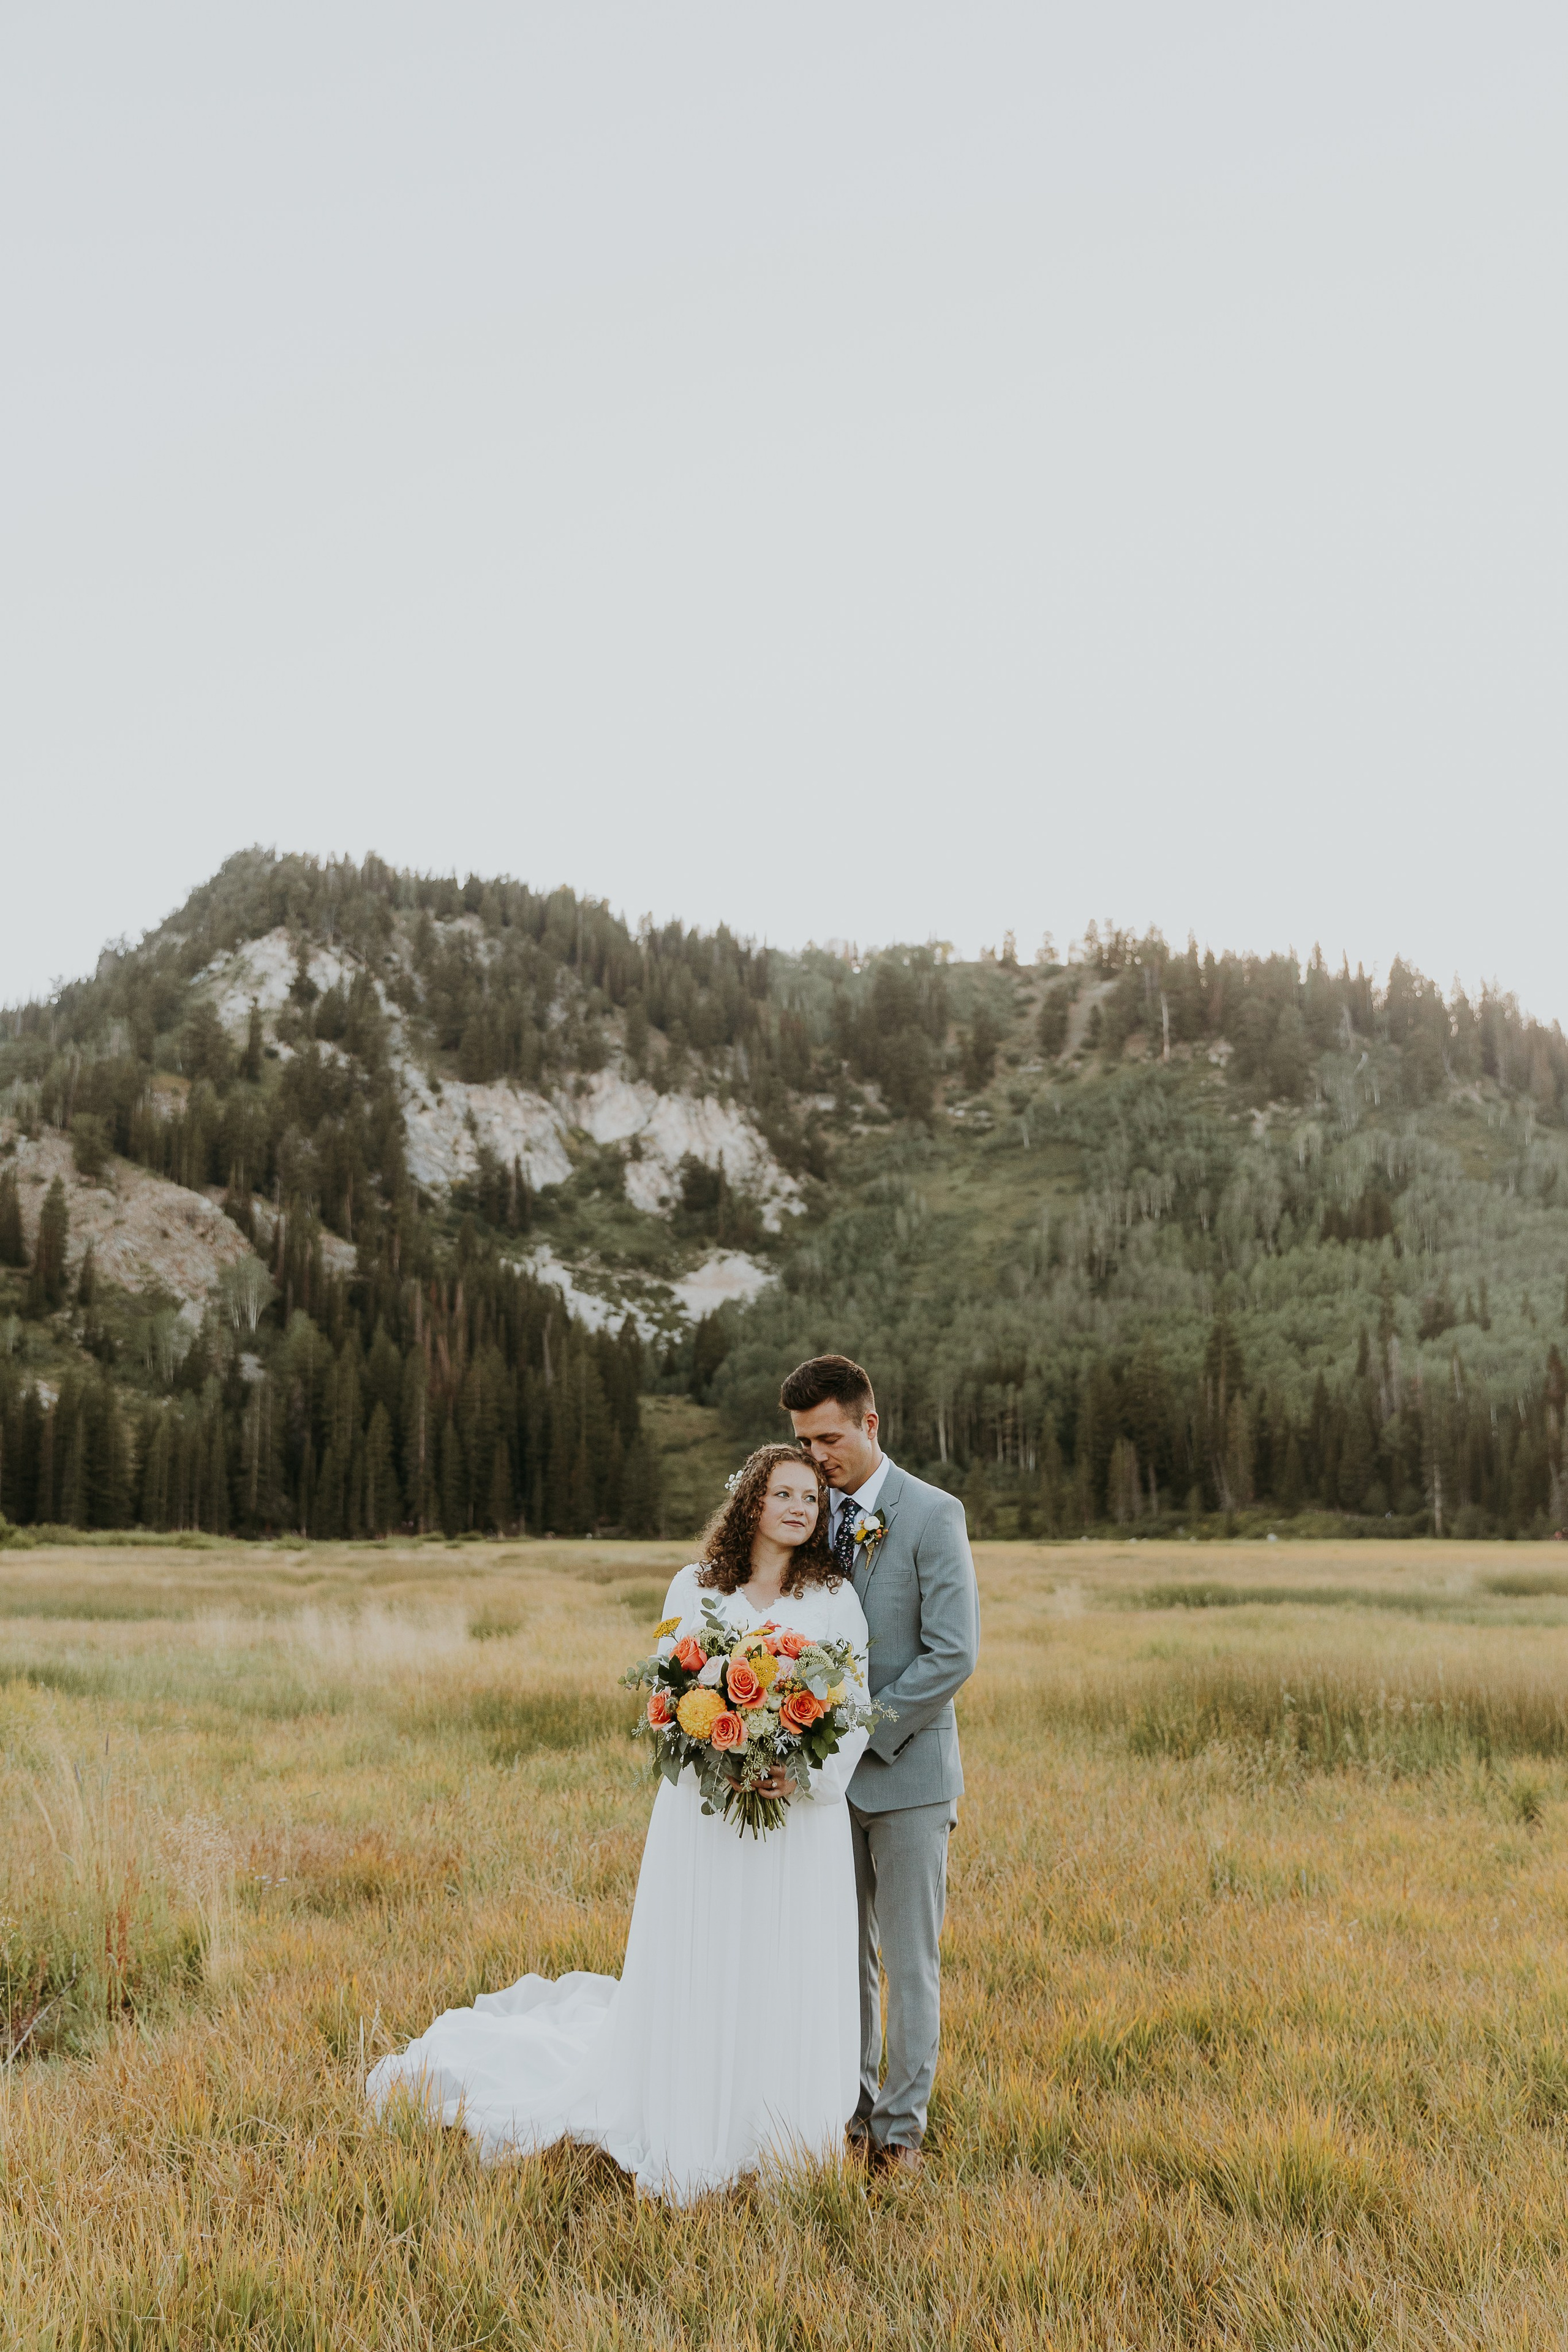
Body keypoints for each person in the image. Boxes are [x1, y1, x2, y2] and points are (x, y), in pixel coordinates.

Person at [366, 1445, 869, 2204]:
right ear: (751, 1504)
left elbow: (853, 1704)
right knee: (709, 1948)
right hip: (707, 1813)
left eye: (812, 1497)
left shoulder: (833, 1595)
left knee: (783, 1953)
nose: (801, 1507)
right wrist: (722, 1750)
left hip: (798, 1816)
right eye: (784, 1494)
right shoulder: (695, 1586)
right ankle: (693, 2116)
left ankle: (782, 2130)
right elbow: (666, 1696)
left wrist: (797, 1770)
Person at [781, 1353, 980, 2178]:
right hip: (824, 1790)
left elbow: (953, 1654)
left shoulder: (933, 1514)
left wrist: (861, 1731)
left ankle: (901, 2134)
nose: (816, 1457)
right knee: (842, 1959)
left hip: (907, 1778)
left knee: (909, 1961)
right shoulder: (806, 1514)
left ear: (870, 1423)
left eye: (828, 1438)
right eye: (802, 1441)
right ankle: (851, 2114)